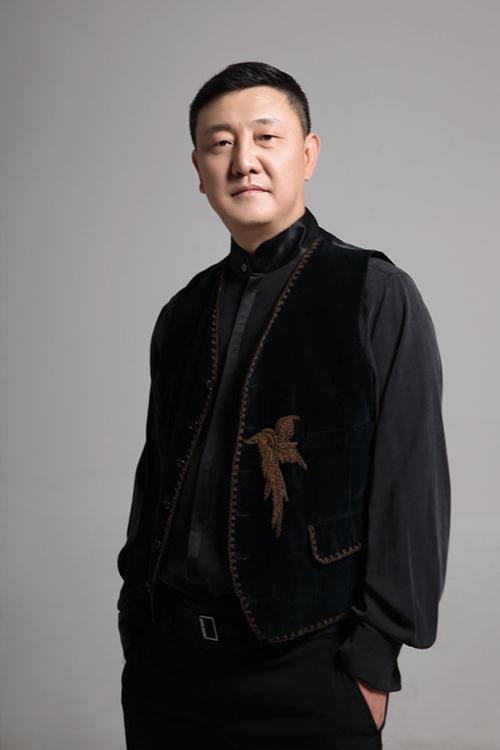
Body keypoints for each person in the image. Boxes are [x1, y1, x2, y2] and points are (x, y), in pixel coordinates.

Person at [116, 61, 451, 750]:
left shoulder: (373, 292)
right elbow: (154, 481)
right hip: (169, 670)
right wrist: (136, 620)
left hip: (309, 670)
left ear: (308, 153)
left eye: (266, 137)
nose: (244, 160)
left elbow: (411, 487)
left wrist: (373, 662)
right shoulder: (182, 313)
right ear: (199, 168)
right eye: (220, 143)